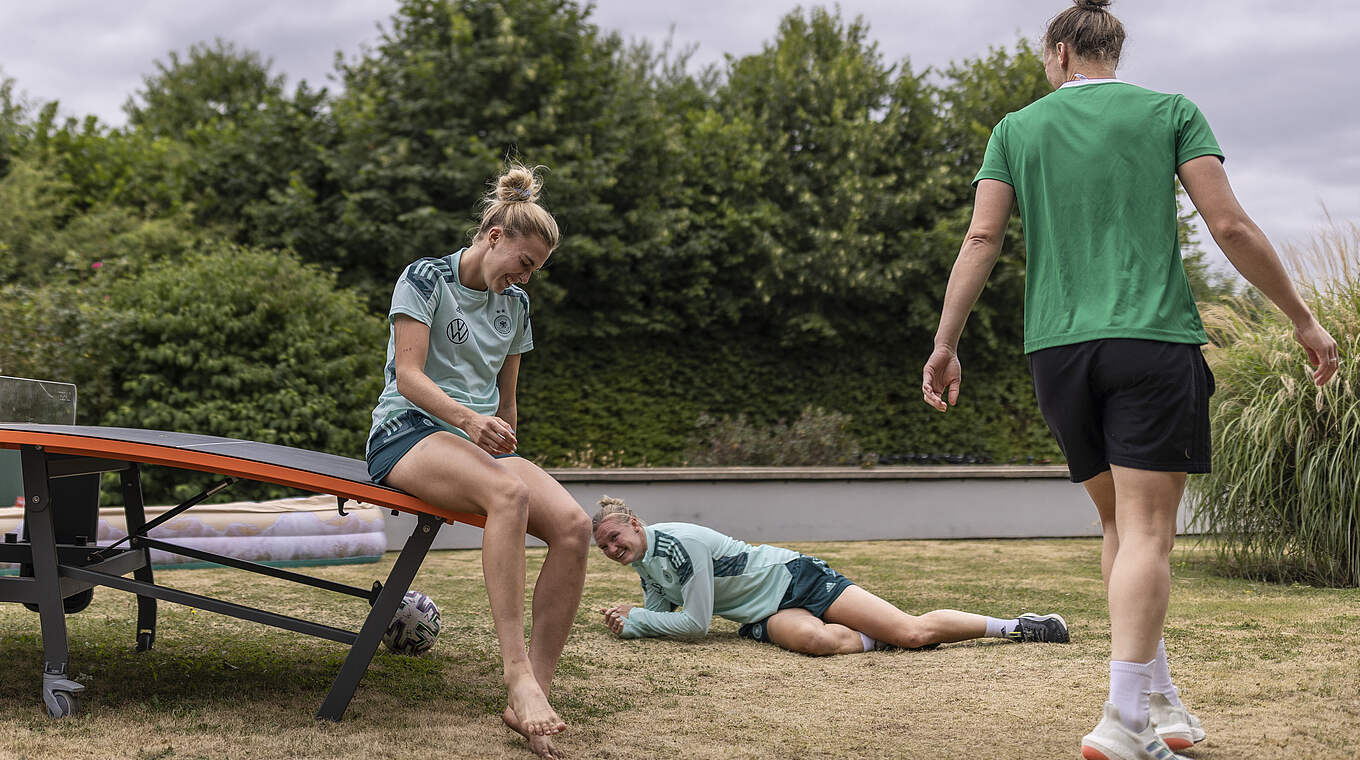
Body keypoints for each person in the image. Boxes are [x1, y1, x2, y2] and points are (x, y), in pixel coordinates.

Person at [919, 2, 1341, 758]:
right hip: (1149, 344)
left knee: (1120, 528)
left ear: (1058, 54)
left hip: (1057, 352)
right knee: (1148, 532)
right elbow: (1232, 226)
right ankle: (1123, 719)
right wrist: (1303, 321)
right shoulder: (1171, 111)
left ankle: (1160, 699)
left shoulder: (1016, 130)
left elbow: (982, 236)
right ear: (1112, 51)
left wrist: (945, 343)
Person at [366, 164, 590, 760]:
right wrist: (468, 423)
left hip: (474, 445)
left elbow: (505, 398)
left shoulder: (514, 307)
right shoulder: (425, 278)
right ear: (493, 237)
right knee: (508, 496)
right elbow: (408, 376)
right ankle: (516, 674)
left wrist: (503, 438)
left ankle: (531, 696)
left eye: (535, 270)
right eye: (524, 261)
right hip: (407, 433)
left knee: (574, 526)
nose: (526, 275)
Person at [591, 496, 1070, 655]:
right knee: (822, 644)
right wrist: (631, 621)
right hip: (764, 612)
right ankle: (876, 640)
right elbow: (660, 614)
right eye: (605, 547)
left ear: (636, 523)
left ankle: (1020, 626)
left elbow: (695, 624)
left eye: (617, 537)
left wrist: (640, 619)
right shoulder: (645, 561)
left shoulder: (679, 543)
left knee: (912, 631)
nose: (615, 550)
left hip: (797, 579)